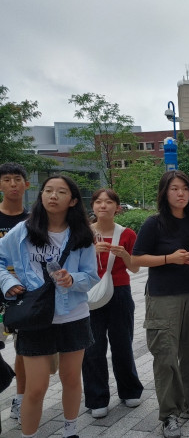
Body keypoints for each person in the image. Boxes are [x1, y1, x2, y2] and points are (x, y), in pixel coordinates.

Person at [0, 174, 99, 438]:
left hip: (73, 315)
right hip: (34, 317)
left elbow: (91, 276)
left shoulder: (81, 234)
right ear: (41, 195)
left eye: (61, 192)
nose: (53, 196)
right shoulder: (23, 230)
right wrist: (8, 281)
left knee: (71, 378)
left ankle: (70, 431)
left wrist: (72, 279)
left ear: (73, 200)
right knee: (35, 388)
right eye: (48, 190)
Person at [131, 170, 189, 438]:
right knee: (166, 356)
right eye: (175, 189)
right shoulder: (153, 223)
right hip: (163, 297)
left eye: (185, 189)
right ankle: (169, 414)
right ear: (164, 193)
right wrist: (170, 259)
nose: (181, 193)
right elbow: (137, 259)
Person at [82, 188, 143, 418]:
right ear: (93, 206)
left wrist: (124, 255)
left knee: (122, 344)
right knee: (93, 348)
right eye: (98, 201)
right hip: (91, 294)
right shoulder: (83, 234)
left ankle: (130, 390)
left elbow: (135, 268)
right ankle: (97, 398)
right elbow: (74, 265)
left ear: (117, 207)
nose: (103, 206)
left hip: (119, 293)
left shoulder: (127, 234)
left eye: (108, 202)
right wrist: (91, 251)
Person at [0, 163, 30, 425]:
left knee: (23, 350)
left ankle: (21, 400)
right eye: (7, 179)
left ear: (26, 185)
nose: (12, 184)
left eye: (17, 179)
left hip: (25, 296)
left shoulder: (33, 221)